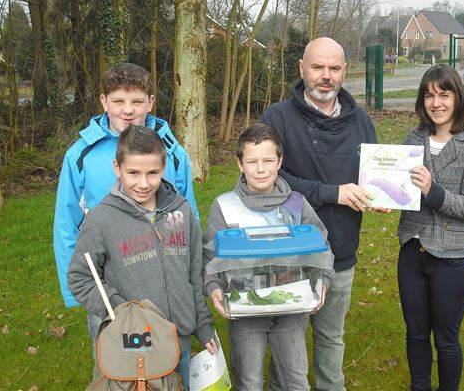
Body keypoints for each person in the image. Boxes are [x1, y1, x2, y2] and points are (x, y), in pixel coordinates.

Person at [260, 37, 380, 391]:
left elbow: (370, 178)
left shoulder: (361, 121)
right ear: (302, 69)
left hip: (340, 253)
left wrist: (383, 193)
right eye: (317, 67)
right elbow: (270, 181)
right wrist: (333, 193)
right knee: (286, 342)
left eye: (334, 68)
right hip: (289, 254)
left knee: (331, 338)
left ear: (344, 70)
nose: (325, 76)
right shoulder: (276, 118)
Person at [67, 125, 216, 388]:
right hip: (135, 345)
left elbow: (194, 273)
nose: (143, 183)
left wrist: (203, 325)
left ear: (164, 166)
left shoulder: (182, 212)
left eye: (153, 173)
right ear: (117, 167)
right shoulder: (102, 219)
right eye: (133, 173)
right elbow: (80, 277)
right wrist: (120, 310)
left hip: (178, 339)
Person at [54, 62, 199, 310]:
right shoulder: (80, 155)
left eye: (137, 102)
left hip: (165, 279)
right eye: (119, 101)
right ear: (104, 101)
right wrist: (74, 291)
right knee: (117, 346)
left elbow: (189, 217)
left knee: (173, 344)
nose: (128, 111)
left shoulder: (173, 152)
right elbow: (67, 225)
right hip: (110, 283)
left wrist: (193, 280)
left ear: (151, 102)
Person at [202, 123, 335, 391]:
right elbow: (210, 254)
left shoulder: (297, 203)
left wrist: (323, 281)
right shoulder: (225, 206)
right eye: (252, 161)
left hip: (291, 311)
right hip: (245, 312)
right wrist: (214, 286)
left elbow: (321, 247)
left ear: (280, 161)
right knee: (249, 383)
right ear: (240, 163)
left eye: (268, 160)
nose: (260, 169)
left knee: (296, 381)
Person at [397, 64, 464, 391]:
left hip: (453, 258)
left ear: (458, 98)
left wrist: (433, 192)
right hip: (412, 251)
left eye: (444, 94)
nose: (436, 102)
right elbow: (401, 191)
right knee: (416, 332)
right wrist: (385, 196)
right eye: (429, 95)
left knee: (447, 339)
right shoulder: (413, 139)